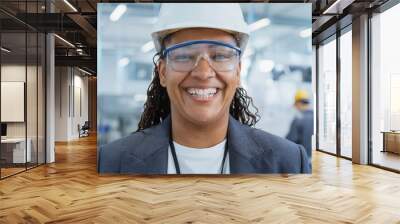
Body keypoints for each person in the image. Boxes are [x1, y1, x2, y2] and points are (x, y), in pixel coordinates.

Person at [98, 3, 311, 174]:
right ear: (162, 72)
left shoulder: (289, 161)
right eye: (183, 56)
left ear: (237, 72)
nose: (203, 72)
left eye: (220, 56)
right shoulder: (110, 160)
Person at [286, 89, 314, 159]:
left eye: (295, 104)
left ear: (298, 103)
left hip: (303, 159)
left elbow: (289, 142)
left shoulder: (298, 119)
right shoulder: (317, 118)